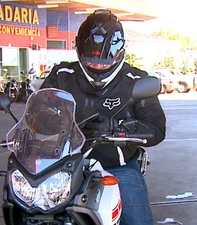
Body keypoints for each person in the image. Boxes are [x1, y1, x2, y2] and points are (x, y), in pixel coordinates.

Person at [40, 9, 166, 225]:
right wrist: (57, 122)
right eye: (91, 61)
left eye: (104, 62)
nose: (97, 66)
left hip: (118, 167)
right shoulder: (62, 75)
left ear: (120, 52)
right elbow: (40, 111)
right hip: (63, 165)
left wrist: (117, 128)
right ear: (79, 50)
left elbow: (156, 128)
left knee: (138, 222)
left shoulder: (135, 80)